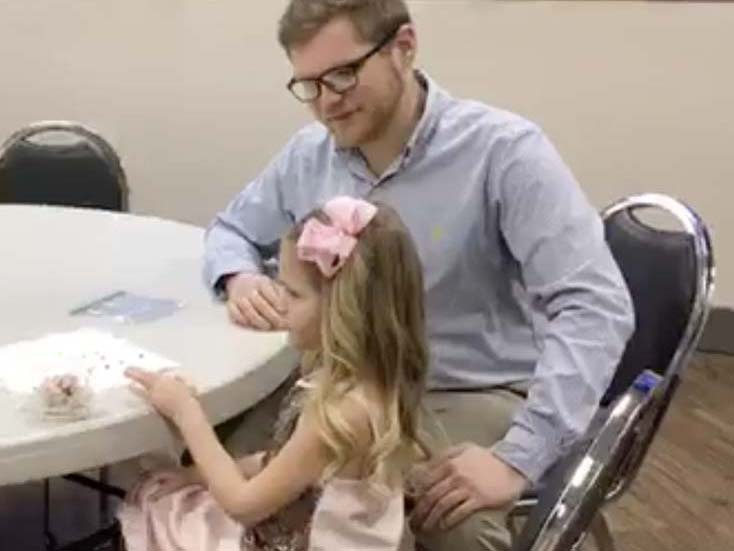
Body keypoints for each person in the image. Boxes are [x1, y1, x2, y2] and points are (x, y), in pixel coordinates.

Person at [203, 1, 635, 549]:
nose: (326, 104)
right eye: (308, 85)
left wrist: (518, 458)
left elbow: (595, 305)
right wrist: (240, 276)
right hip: (336, 384)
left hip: (463, 387)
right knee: (206, 461)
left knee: (449, 519)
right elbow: (229, 230)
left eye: (342, 75)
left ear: (404, 47)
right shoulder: (309, 154)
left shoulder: (503, 152)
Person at [119, 197, 429, 550]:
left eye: (293, 294)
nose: (279, 301)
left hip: (285, 535)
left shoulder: (344, 412)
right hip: (287, 521)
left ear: (345, 310)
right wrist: (191, 474)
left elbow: (243, 505)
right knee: (171, 488)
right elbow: (282, 462)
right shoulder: (358, 381)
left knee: (165, 513)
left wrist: (188, 415)